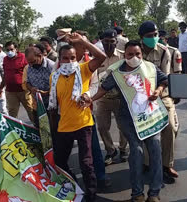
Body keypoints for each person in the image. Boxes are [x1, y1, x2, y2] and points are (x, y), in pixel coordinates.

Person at [92, 40, 168, 202]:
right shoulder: (117, 72)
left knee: (155, 149)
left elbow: (164, 80)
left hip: (149, 116)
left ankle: (154, 192)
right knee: (136, 151)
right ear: (124, 55)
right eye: (130, 54)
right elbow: (103, 89)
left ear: (142, 54)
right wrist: (90, 100)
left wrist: (158, 91)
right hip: (128, 117)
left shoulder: (149, 67)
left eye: (137, 54)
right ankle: (137, 193)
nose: (134, 57)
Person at [48, 33, 106, 201]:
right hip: (64, 126)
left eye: (72, 57)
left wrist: (83, 42)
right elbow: (54, 105)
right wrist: (52, 128)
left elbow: (101, 57)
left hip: (83, 124)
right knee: (59, 161)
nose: (69, 61)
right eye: (65, 58)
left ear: (77, 58)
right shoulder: (54, 77)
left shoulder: (83, 69)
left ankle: (91, 194)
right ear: (59, 60)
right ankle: (74, 186)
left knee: (86, 163)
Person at [139, 21, 179, 182]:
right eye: (150, 36)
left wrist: (157, 92)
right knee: (147, 130)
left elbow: (165, 78)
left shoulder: (164, 52)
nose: (154, 38)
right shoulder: (134, 51)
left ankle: (167, 164)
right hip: (141, 97)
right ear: (141, 37)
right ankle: (148, 162)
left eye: (156, 35)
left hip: (162, 94)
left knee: (169, 127)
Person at [95, 29, 128, 165]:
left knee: (123, 127)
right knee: (102, 127)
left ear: (116, 42)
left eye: (112, 41)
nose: (109, 44)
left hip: (120, 98)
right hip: (102, 98)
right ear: (101, 42)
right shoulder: (96, 58)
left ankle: (123, 149)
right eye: (106, 41)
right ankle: (110, 151)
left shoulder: (123, 57)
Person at [0, 41, 34, 121]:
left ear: (16, 49)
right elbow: (5, 75)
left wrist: (31, 87)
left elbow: (30, 72)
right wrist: (0, 88)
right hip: (10, 91)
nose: (9, 52)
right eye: (7, 50)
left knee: (31, 110)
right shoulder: (5, 59)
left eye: (11, 49)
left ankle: (37, 129)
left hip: (24, 90)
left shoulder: (23, 57)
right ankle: (14, 131)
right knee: (12, 114)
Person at [24, 44, 55, 126]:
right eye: (29, 62)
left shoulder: (52, 67)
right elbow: (27, 83)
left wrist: (47, 93)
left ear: (40, 56)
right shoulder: (29, 67)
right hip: (37, 106)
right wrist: (31, 89)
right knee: (40, 130)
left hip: (52, 106)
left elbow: (59, 86)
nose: (31, 65)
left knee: (53, 131)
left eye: (33, 61)